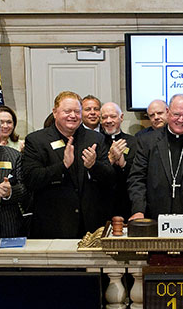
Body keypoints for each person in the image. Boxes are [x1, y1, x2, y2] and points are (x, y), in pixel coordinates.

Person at [23, 91, 115, 238]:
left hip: (91, 228)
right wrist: (62, 166)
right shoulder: (37, 141)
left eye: (77, 111)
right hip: (54, 226)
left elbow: (110, 179)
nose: (72, 115)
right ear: (55, 112)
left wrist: (94, 165)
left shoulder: (95, 138)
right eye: (67, 111)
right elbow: (31, 179)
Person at [127, 94, 183, 220]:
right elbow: (137, 178)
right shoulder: (147, 141)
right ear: (167, 112)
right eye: (176, 114)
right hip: (155, 215)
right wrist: (138, 210)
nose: (181, 120)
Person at [100, 101, 137, 220]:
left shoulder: (134, 142)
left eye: (113, 116)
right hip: (102, 202)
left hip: (127, 200)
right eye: (104, 117)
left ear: (121, 118)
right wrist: (109, 159)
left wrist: (123, 164)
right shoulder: (96, 141)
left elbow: (138, 172)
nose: (108, 120)